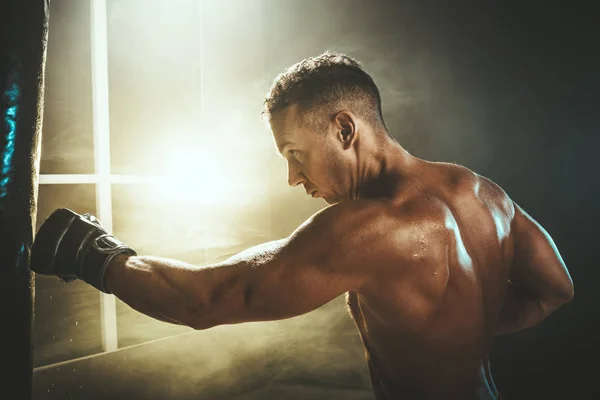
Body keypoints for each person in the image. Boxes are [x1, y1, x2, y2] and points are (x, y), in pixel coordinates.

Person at [31, 51, 574, 400]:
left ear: (343, 129)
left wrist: (94, 254)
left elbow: (206, 301)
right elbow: (555, 290)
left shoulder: (371, 228)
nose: (293, 177)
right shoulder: (487, 197)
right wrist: (461, 334)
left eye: (294, 153)